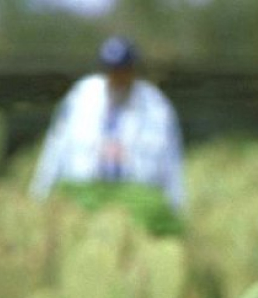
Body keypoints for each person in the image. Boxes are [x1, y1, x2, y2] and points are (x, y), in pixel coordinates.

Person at [28, 36, 185, 213]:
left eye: (123, 70)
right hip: (83, 196)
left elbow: (171, 163)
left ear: (133, 71)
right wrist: (39, 195)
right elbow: (55, 149)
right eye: (112, 71)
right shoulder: (81, 97)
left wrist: (176, 208)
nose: (117, 77)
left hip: (135, 199)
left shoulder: (156, 107)